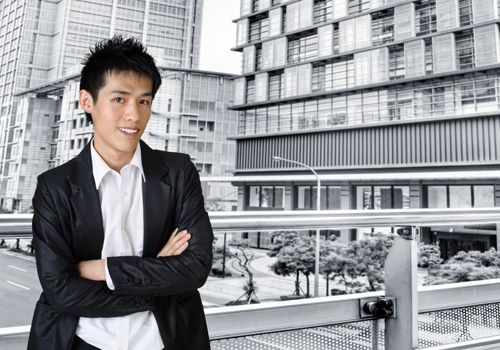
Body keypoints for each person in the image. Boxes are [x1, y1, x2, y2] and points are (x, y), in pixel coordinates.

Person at [27, 36, 213, 350]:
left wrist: (102, 269)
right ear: (87, 101)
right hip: (81, 340)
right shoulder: (54, 186)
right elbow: (61, 290)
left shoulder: (179, 172)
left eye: (144, 101)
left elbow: (195, 267)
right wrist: (156, 273)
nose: (134, 115)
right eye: (119, 99)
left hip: (164, 340)